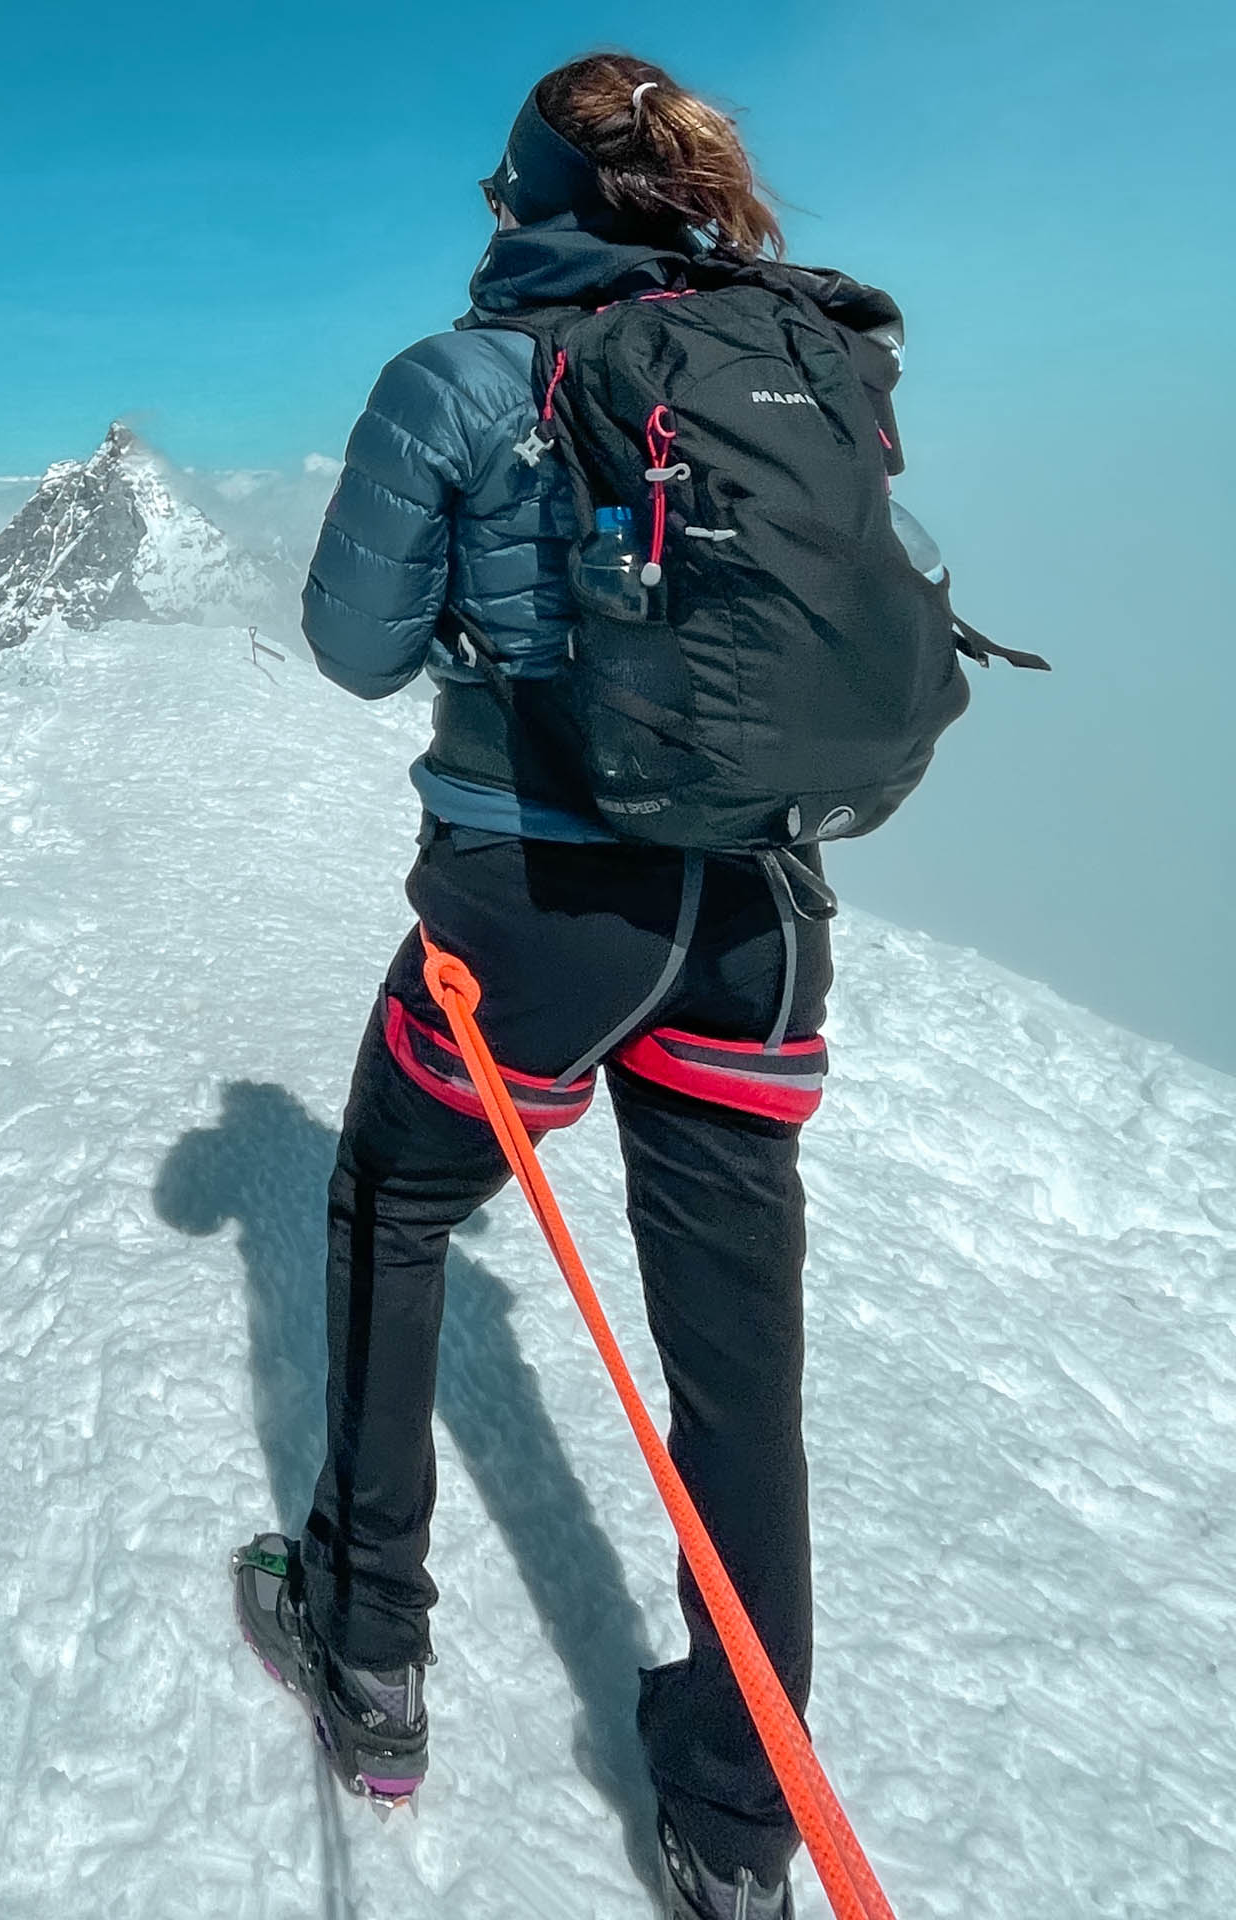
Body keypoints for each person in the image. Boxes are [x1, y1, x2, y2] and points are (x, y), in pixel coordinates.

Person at [232, 52, 906, 1920]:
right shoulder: (795, 356)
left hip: (536, 901)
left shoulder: (457, 377)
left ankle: (367, 1648)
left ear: (523, 198)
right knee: (735, 1361)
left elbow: (353, 652)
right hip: (760, 910)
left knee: (393, 1204)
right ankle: (738, 1823)